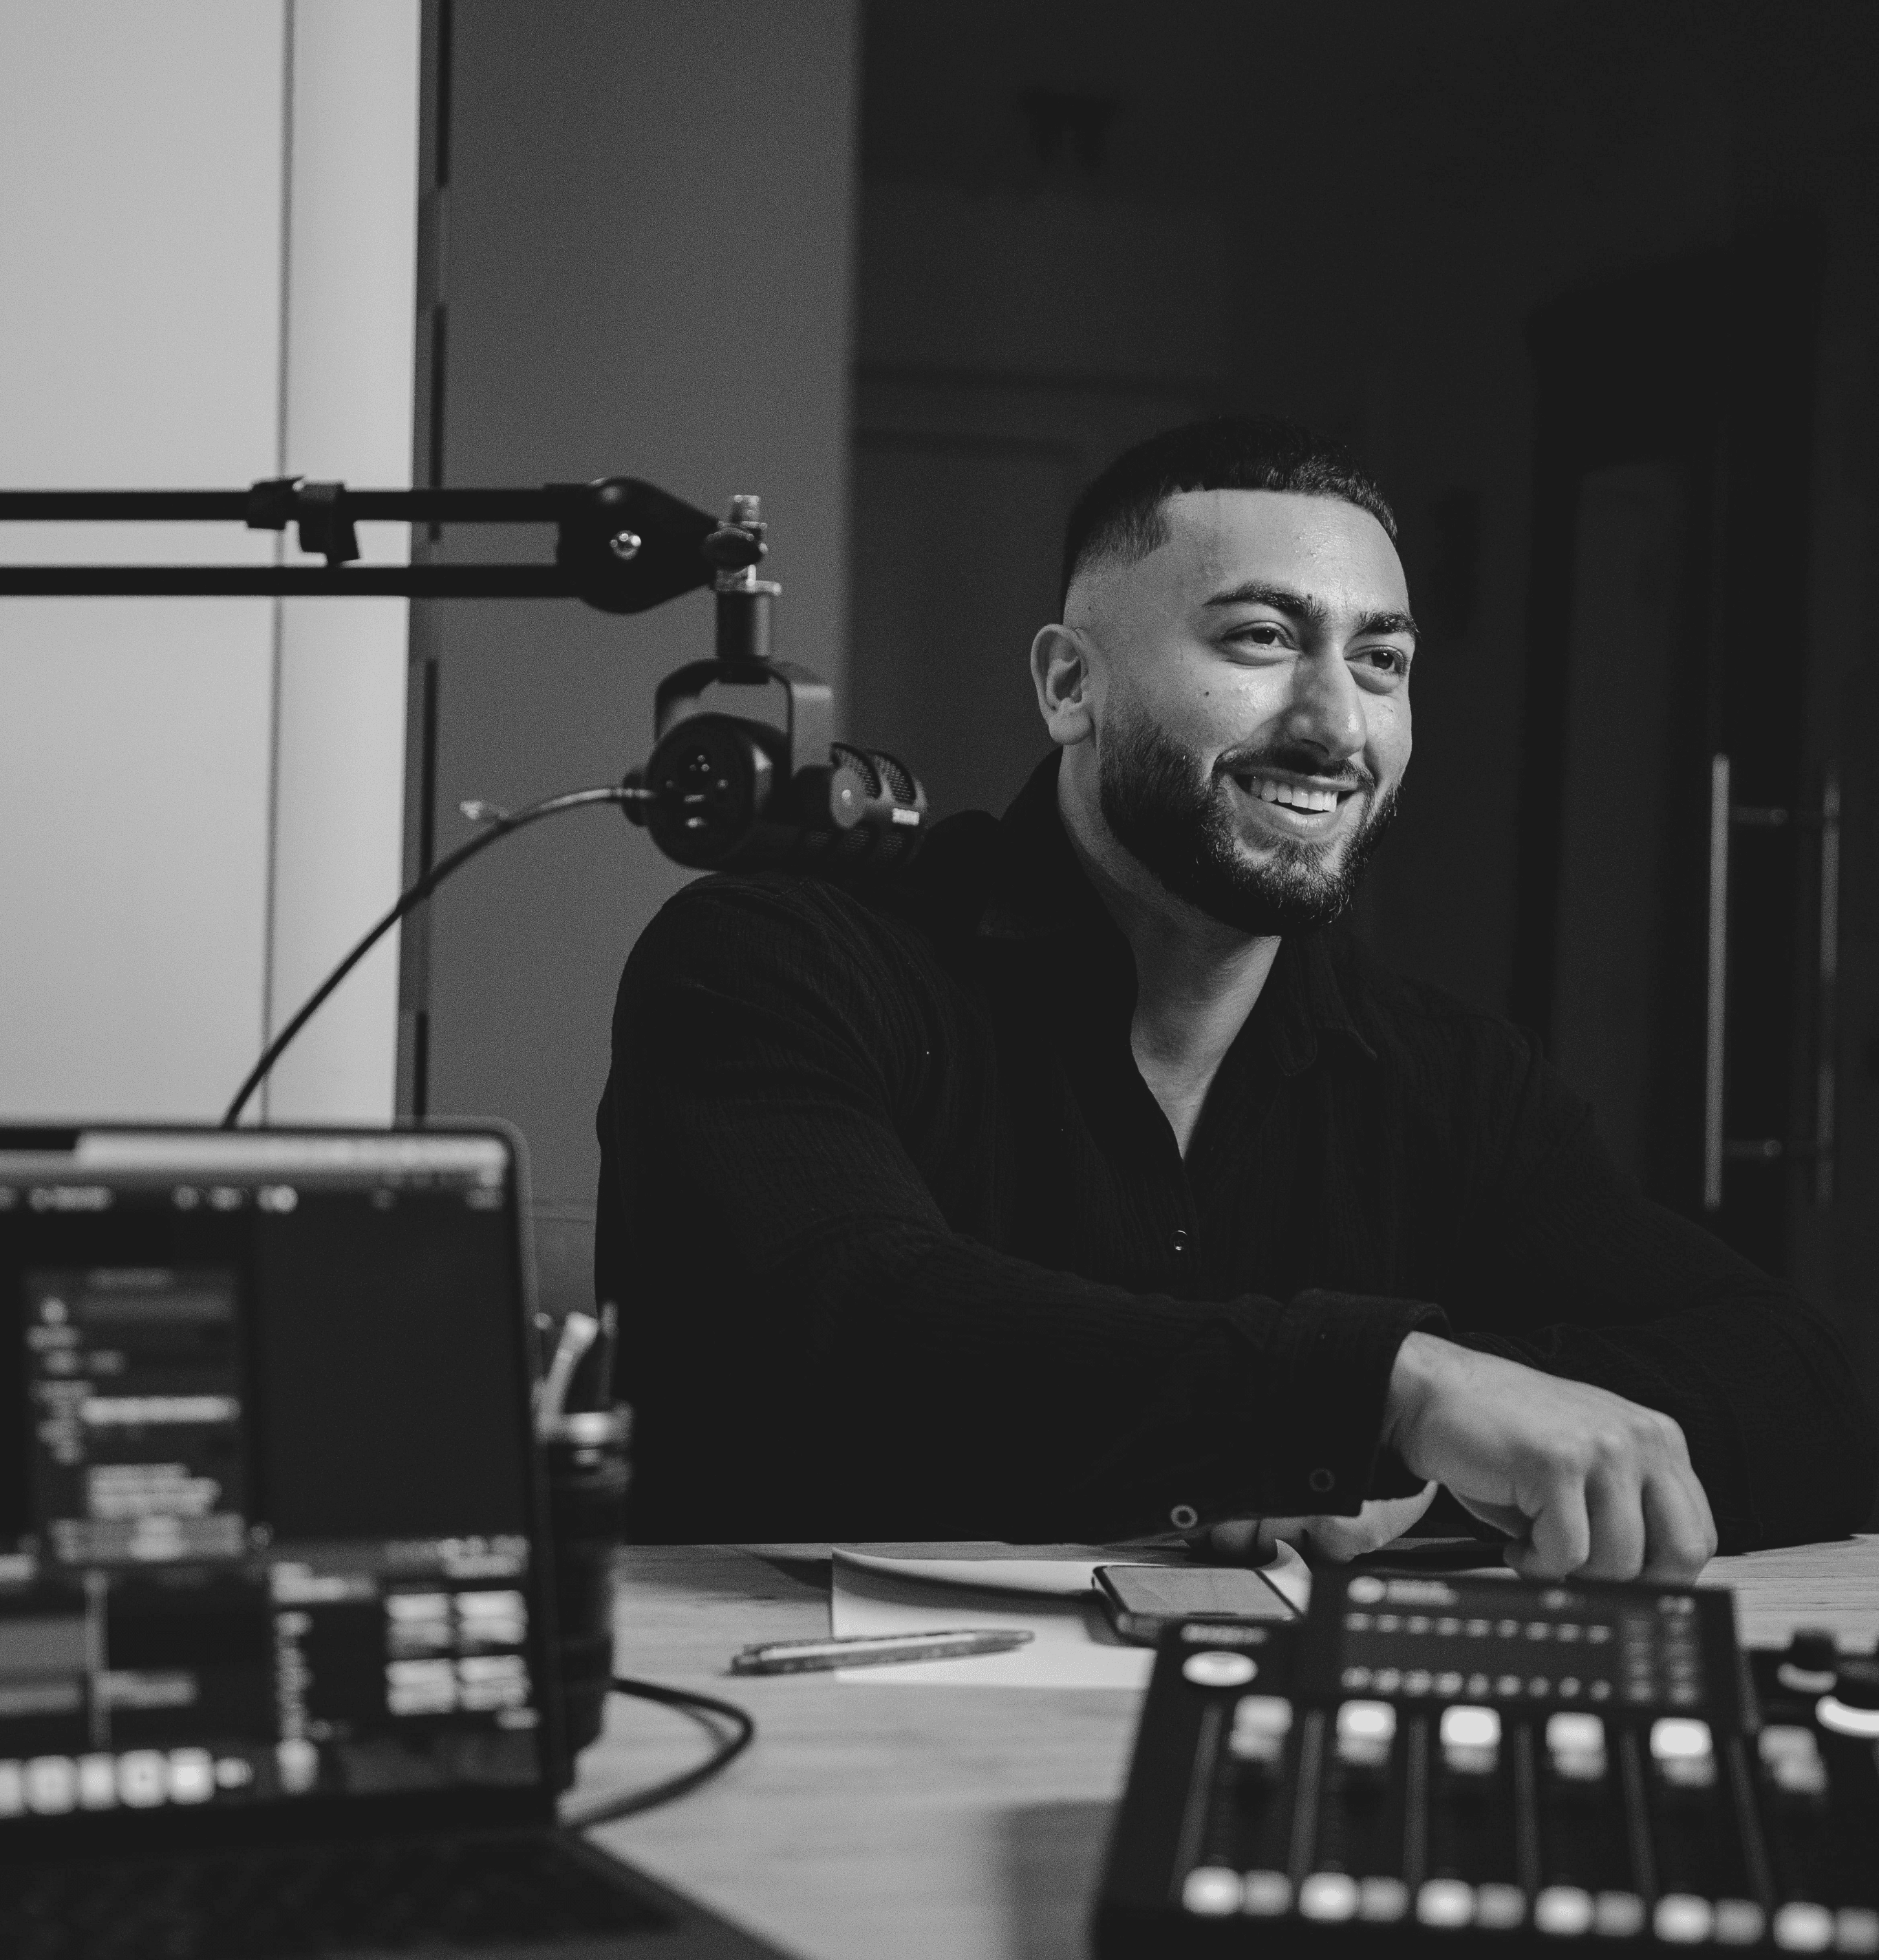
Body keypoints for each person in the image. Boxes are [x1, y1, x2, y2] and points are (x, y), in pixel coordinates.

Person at [594, 416, 1874, 1576]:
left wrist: (1400, 1477)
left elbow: (1803, 1387)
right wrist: (1382, 1391)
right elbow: (842, 1328)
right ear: (1066, 685)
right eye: (1260, 640)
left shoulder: (1449, 1074)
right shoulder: (773, 963)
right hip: (795, 1744)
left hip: (1266, 1731)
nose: (1335, 726)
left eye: (1381, 660)